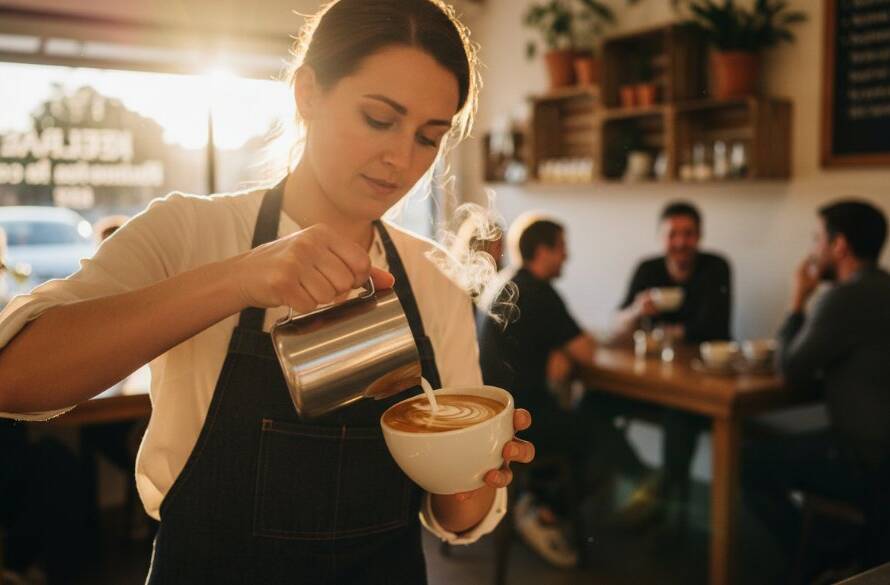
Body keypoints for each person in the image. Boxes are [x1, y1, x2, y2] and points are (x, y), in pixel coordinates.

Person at [0, 2, 536, 583]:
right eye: (379, 119)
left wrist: (475, 473)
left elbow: (455, 516)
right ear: (307, 92)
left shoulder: (429, 272)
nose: (401, 159)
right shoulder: (189, 232)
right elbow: (17, 379)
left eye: (429, 137)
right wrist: (239, 278)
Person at [743, 200, 890, 579]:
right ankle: (840, 550)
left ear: (839, 246)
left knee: (753, 463)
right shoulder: (883, 288)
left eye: (817, 239)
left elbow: (790, 369)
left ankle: (815, 558)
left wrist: (797, 302)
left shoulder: (843, 298)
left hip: (865, 457)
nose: (813, 250)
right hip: (879, 453)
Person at [477, 215, 599, 568]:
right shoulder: (541, 292)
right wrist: (565, 347)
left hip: (494, 417)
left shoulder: (506, 283)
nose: (567, 256)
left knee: (578, 421)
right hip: (523, 421)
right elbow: (587, 351)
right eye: (562, 247)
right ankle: (542, 510)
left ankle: (533, 498)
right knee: (598, 435)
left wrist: (557, 348)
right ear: (542, 251)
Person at [610, 201, 733, 525]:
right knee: (593, 403)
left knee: (679, 421)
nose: (681, 242)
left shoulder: (716, 267)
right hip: (650, 385)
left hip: (698, 389)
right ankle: (643, 482)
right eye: (673, 234)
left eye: (688, 234)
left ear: (699, 236)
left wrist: (665, 333)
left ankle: (668, 515)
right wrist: (637, 311)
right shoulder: (647, 270)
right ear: (661, 237)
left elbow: (715, 328)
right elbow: (617, 326)